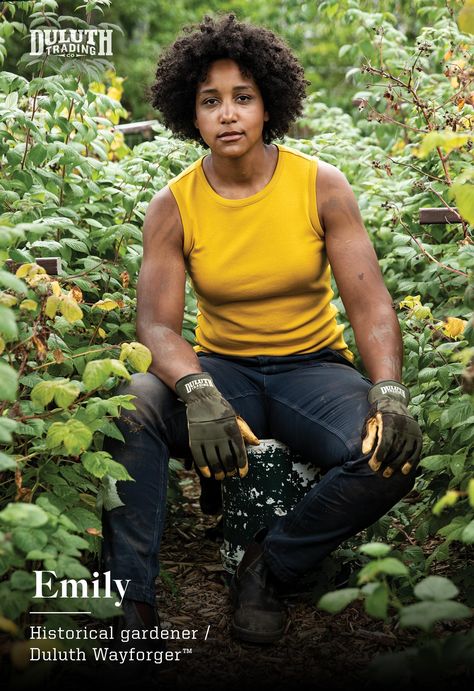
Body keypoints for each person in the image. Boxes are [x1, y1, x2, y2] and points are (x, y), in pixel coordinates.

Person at [100, 13, 422, 652]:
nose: (227, 114)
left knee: (392, 452)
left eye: (242, 98)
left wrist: (388, 392)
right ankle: (128, 608)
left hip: (314, 370)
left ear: (267, 104)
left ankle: (269, 568)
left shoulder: (320, 185)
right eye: (210, 101)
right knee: (135, 403)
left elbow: (372, 306)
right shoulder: (174, 204)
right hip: (224, 373)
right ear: (189, 114)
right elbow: (158, 324)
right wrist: (196, 391)